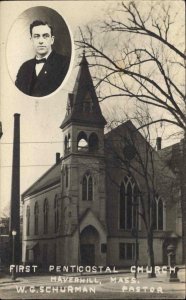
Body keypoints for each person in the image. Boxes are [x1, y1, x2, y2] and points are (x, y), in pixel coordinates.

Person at [15, 20, 70, 97]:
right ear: (31, 40)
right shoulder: (24, 68)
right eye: (36, 36)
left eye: (45, 36)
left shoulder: (65, 63)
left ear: (52, 40)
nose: (41, 41)